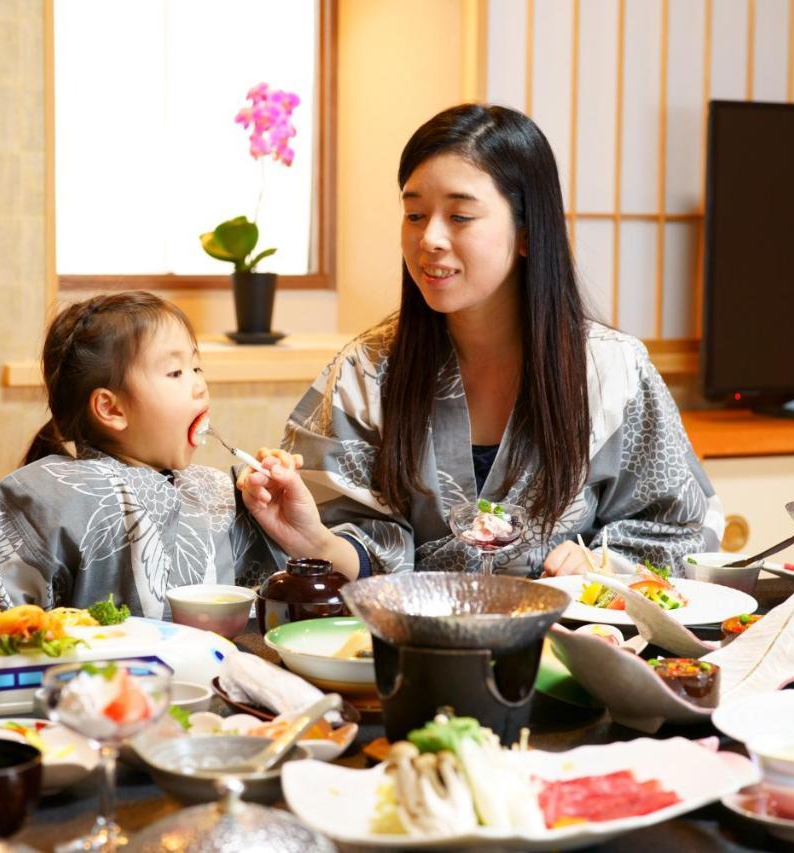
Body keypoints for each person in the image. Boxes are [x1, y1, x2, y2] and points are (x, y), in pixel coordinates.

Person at [244, 104, 723, 578]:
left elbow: (683, 528)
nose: (429, 238)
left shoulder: (612, 370)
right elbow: (345, 540)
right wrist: (317, 541)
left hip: (566, 642)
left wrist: (600, 565)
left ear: (527, 232)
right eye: (414, 214)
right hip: (412, 643)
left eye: (460, 216)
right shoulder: (366, 369)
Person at [0, 291, 351, 619]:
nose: (199, 386)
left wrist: (277, 518)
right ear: (111, 409)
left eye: (197, 367)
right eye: (176, 373)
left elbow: (273, 599)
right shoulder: (46, 496)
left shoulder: (219, 492)